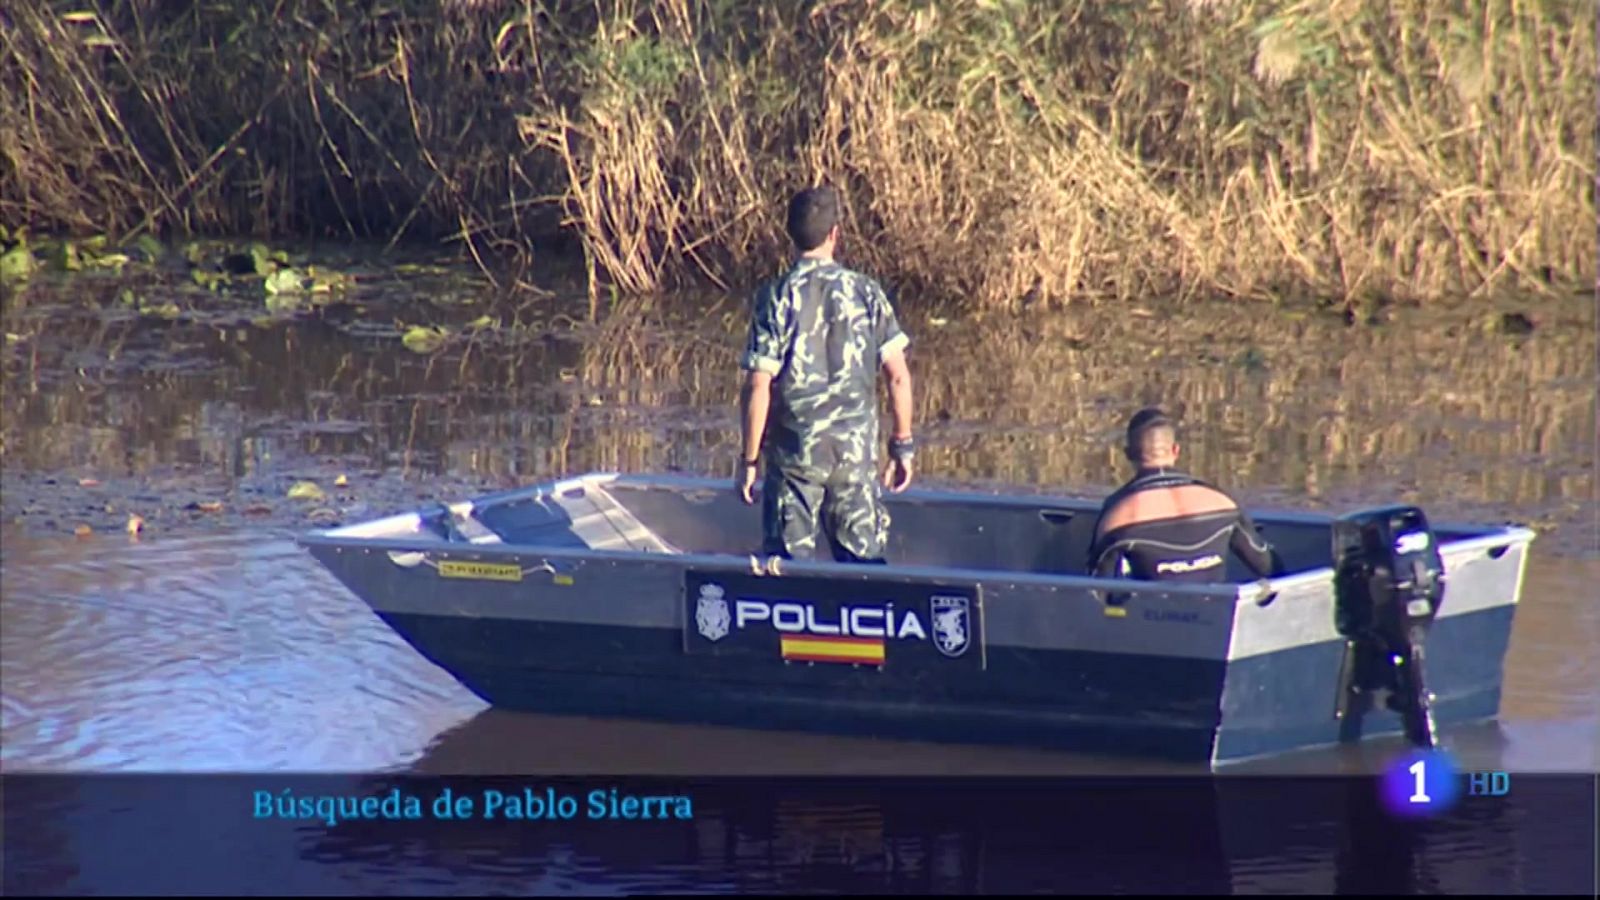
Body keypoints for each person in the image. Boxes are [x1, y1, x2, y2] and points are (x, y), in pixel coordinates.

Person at [736, 185, 915, 564]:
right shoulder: (868, 292)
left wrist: (749, 462)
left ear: (790, 235)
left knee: (787, 571)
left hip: (794, 460)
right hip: (854, 458)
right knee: (865, 572)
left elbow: (758, 387)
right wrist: (901, 447)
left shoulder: (776, 296)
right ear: (835, 234)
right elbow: (898, 378)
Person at [1087, 407, 1280, 583]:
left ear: (1128, 454)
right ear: (1175, 450)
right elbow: (1269, 567)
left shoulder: (1119, 514)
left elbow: (1096, 590)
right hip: (1215, 611)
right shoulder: (1221, 501)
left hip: (1152, 617)